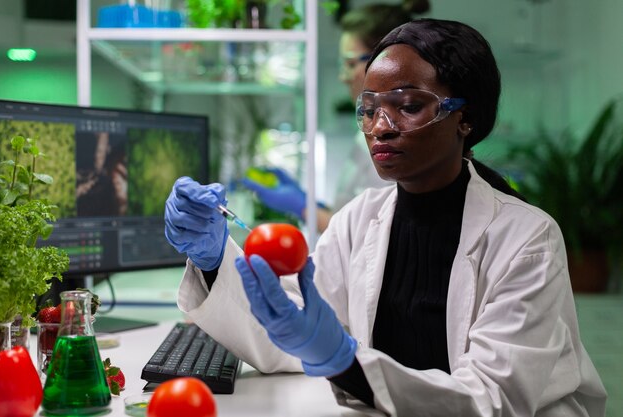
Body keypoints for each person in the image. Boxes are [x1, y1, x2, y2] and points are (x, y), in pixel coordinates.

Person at [164, 18, 607, 416]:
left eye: (408, 106)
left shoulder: (527, 238)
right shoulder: (358, 221)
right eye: (371, 108)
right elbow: (290, 338)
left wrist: (343, 360)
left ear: (465, 119)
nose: (381, 126)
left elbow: (493, 399)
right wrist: (210, 258)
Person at [242, 2, 430, 232]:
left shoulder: (396, 137)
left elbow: (369, 233)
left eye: (350, 63)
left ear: (384, 62)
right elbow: (357, 214)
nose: (343, 76)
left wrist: (301, 207)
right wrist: (310, 203)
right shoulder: (368, 129)